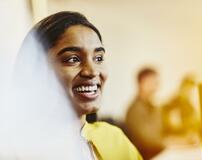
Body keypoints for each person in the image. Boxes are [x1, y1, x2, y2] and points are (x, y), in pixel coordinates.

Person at [6, 11, 142, 160]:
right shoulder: (15, 148)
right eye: (72, 59)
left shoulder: (114, 139)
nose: (92, 71)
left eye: (98, 58)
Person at [125, 67, 164, 160]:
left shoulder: (151, 106)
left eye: (156, 83)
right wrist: (176, 142)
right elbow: (150, 141)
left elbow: (160, 132)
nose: (156, 88)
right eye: (152, 83)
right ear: (141, 84)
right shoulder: (135, 110)